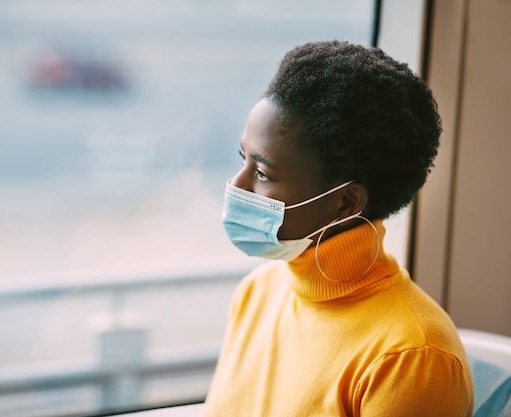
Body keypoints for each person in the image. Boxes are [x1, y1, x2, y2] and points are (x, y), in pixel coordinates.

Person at [203, 41, 474, 416]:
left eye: (263, 173)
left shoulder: (412, 357)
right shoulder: (257, 293)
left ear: (345, 203)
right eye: (243, 160)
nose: (237, 184)